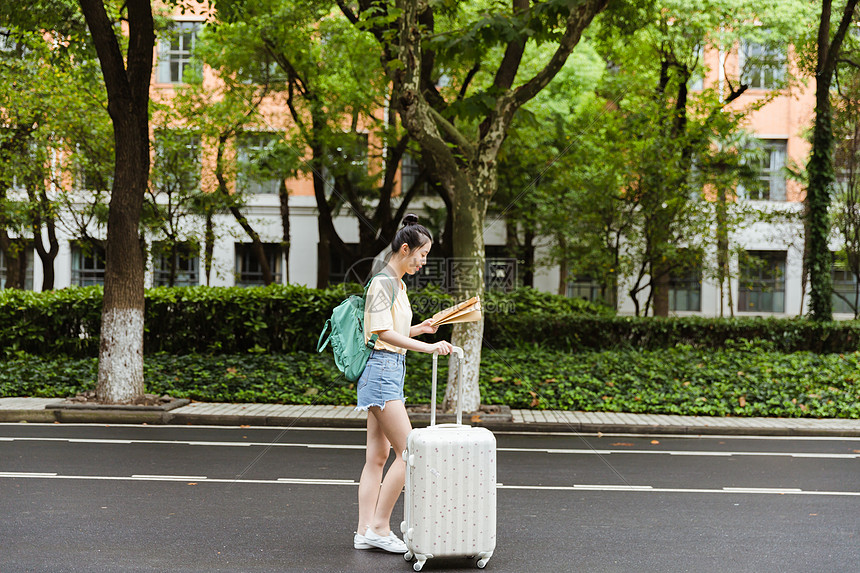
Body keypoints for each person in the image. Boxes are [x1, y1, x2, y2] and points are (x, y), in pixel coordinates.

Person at [353, 214, 454, 553]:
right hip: (381, 371)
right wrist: (428, 346)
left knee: (378, 455)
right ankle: (379, 528)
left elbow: (391, 331)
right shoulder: (382, 282)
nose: (423, 262)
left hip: (389, 368)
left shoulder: (398, 284)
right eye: (422, 255)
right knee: (409, 452)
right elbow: (381, 334)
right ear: (405, 249)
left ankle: (364, 529)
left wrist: (419, 329)